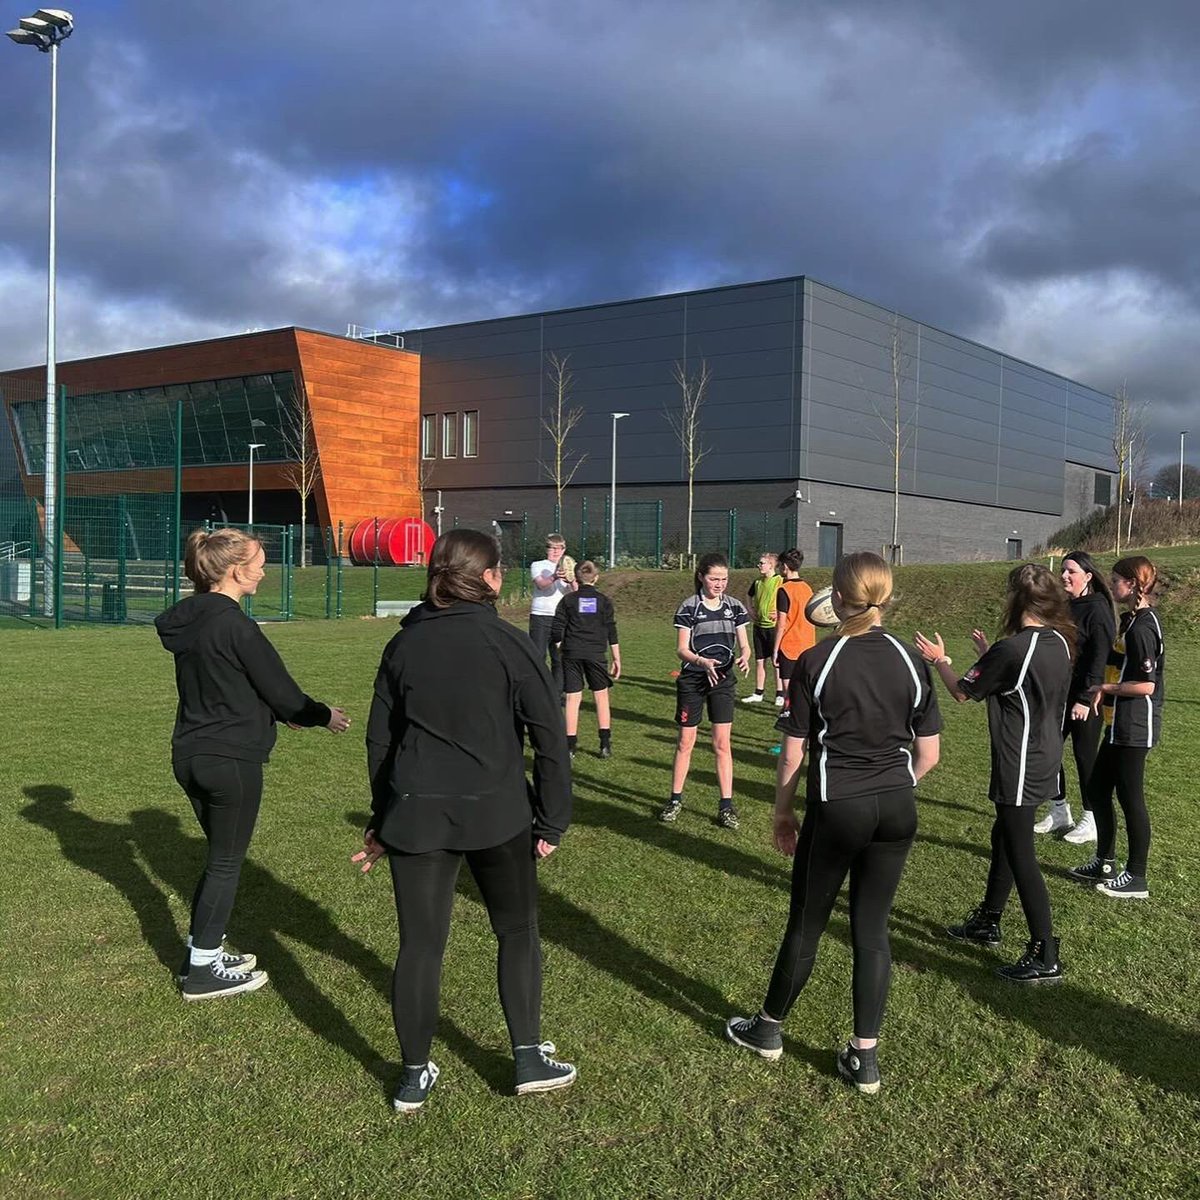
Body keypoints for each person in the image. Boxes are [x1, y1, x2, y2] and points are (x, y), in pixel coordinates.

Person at [353, 529, 575, 1113]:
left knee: (420, 947)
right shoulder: (508, 643)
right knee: (517, 931)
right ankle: (523, 1054)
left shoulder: (404, 646)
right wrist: (552, 821)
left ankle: (417, 1074)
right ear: (493, 578)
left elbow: (381, 742)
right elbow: (552, 742)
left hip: (425, 816)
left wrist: (383, 816)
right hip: (497, 814)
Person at [725, 552, 941, 1094]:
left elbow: (793, 751)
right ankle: (864, 1059)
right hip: (897, 807)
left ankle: (768, 1029)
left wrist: (781, 810)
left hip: (838, 806)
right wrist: (895, 783)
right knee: (872, 930)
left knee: (807, 923)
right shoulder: (914, 661)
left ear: (838, 600)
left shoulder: (818, 661)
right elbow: (930, 754)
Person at [156, 528, 350, 1001]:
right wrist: (323, 715)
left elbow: (232, 687)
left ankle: (205, 952)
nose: (264, 570)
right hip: (230, 761)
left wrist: (274, 713)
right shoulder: (237, 625)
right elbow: (282, 691)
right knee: (226, 862)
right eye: (260, 562)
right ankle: (201, 971)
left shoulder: (193, 623)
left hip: (190, 755)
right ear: (236, 570)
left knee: (220, 859)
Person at [916, 563, 1074, 985]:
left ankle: (1045, 951)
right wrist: (989, 653)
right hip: (1046, 755)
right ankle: (988, 920)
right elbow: (1014, 681)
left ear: (1016, 601)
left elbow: (962, 691)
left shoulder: (1014, 650)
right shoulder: (1058, 641)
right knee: (1003, 836)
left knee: (1021, 852)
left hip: (1020, 760)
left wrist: (940, 660)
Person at [1068, 556, 1164, 899]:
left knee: (1130, 798)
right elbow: (1118, 662)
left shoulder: (1143, 627)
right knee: (1096, 790)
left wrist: (1104, 688)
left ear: (1134, 585)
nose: (1111, 586)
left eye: (1116, 581)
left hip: (1135, 726)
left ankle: (1136, 877)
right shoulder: (1130, 620)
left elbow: (1146, 685)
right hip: (1115, 724)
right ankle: (1104, 861)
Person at [660, 553, 751, 830]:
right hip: (693, 681)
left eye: (724, 579)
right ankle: (675, 800)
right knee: (685, 742)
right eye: (714, 578)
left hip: (722, 682)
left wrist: (745, 655)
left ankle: (726, 806)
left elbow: (744, 644)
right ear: (701, 576)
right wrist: (701, 662)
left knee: (722, 744)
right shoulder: (689, 607)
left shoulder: (734, 607)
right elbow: (681, 649)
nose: (720, 584)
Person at [1035, 551, 1116, 844]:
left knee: (1085, 756)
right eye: (1064, 571)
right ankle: (1059, 811)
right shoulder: (1066, 606)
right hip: (1059, 694)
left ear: (1088, 576)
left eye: (1071, 571)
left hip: (1087, 697)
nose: (1065, 576)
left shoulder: (1098, 610)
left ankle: (1091, 818)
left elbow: (1099, 657)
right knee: (1048, 749)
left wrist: (1085, 697)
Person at [550, 560, 621, 759]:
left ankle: (570, 746)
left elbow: (557, 629)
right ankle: (605, 744)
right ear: (596, 578)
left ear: (576, 578)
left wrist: (560, 645)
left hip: (572, 652)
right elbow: (611, 630)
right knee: (601, 696)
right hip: (596, 654)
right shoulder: (604, 601)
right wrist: (616, 658)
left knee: (573, 698)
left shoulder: (568, 601)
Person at [773, 549, 816, 713]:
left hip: (789, 647)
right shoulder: (807, 588)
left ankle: (790, 733)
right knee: (804, 691)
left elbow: (781, 624)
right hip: (807, 645)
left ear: (784, 566)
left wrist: (775, 649)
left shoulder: (784, 590)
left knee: (788, 695)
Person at [528, 533, 571, 695]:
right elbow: (541, 585)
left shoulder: (568, 566)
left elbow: (575, 591)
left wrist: (571, 579)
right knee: (538, 656)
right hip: (540, 616)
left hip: (560, 617)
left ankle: (556, 694)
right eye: (552, 548)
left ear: (564, 549)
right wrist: (554, 576)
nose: (556, 552)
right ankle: (536, 692)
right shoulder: (538, 565)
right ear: (547, 549)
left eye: (559, 548)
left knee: (559, 658)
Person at [742, 552, 782, 705]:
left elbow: (788, 599)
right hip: (759, 627)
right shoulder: (757, 582)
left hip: (773, 628)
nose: (759, 566)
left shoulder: (780, 581)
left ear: (771, 565)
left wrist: (780, 613)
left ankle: (780, 694)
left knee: (776, 661)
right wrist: (750, 609)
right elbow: (748, 595)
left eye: (762, 563)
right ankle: (758, 692)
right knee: (759, 661)